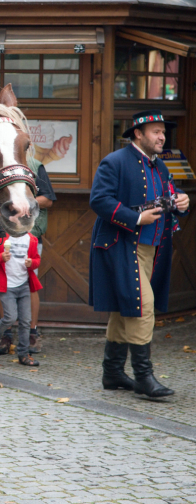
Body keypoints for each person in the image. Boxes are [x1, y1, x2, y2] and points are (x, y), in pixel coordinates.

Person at [89, 110, 189, 398]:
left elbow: (165, 194)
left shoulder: (161, 167)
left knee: (125, 311)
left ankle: (112, 372)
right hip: (121, 245)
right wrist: (134, 219)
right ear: (138, 133)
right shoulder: (115, 161)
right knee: (143, 307)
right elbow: (99, 200)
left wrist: (180, 200)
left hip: (152, 249)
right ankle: (144, 377)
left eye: (163, 132)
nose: (162, 137)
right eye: (156, 132)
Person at [0, 151, 57, 355]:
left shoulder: (35, 165)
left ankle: (32, 333)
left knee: (30, 283)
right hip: (3, 233)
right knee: (4, 282)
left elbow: (48, 199)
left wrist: (20, 204)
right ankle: (6, 333)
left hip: (29, 233)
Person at [0, 232, 42, 368]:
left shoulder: (31, 239)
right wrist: (1, 257)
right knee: (10, 317)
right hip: (7, 285)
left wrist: (32, 263)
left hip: (23, 285)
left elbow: (37, 260)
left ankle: (23, 354)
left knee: (25, 321)